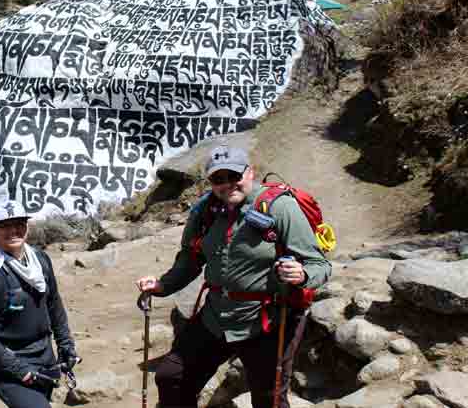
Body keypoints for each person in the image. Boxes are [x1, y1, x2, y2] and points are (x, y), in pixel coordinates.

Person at [136, 146, 332, 408]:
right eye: (218, 179)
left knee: (268, 400)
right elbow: (190, 259)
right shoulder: (205, 211)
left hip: (268, 320)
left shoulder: (280, 207)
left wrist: (302, 274)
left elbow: (319, 264)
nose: (227, 185)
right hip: (217, 314)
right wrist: (162, 285)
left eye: (234, 176)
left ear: (250, 173)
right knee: (173, 376)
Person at [0, 200, 78, 408]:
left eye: (19, 224)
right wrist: (18, 369)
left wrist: (66, 345)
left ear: (27, 226)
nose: (14, 230)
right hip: (3, 362)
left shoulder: (39, 260)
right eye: (5, 226)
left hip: (43, 353)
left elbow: (53, 304)